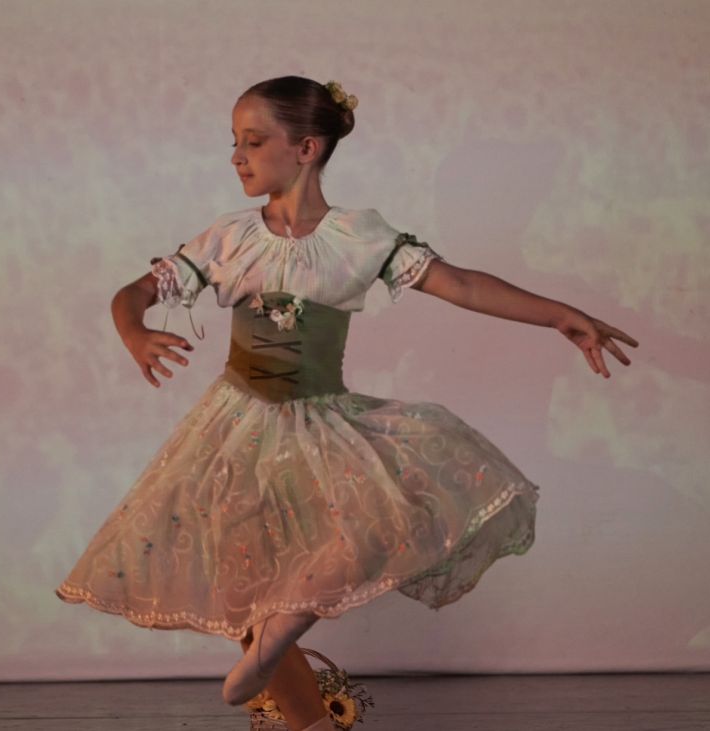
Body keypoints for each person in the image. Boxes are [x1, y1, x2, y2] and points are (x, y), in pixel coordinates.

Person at [55, 75, 639, 731]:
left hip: (320, 417)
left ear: (306, 148)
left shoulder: (359, 236)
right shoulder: (230, 238)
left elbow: (463, 284)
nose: (237, 157)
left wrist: (560, 315)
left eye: (253, 142)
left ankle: (284, 629)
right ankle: (307, 716)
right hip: (237, 422)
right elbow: (133, 293)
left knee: (379, 522)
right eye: (234, 142)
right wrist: (135, 333)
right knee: (245, 578)